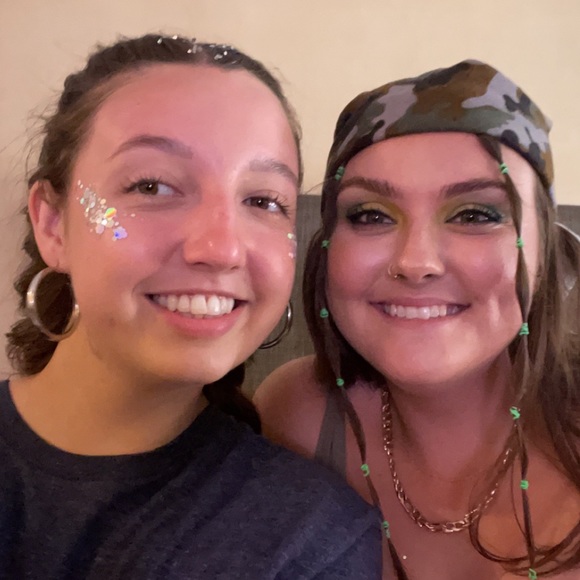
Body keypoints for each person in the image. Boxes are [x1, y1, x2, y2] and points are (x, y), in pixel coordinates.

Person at [0, 33, 383, 579]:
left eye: (263, 200)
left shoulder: (313, 539)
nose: (222, 249)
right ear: (53, 223)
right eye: (152, 186)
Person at [255, 60, 580, 579]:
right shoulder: (294, 415)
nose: (415, 262)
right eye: (370, 215)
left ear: (549, 253)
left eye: (475, 215)